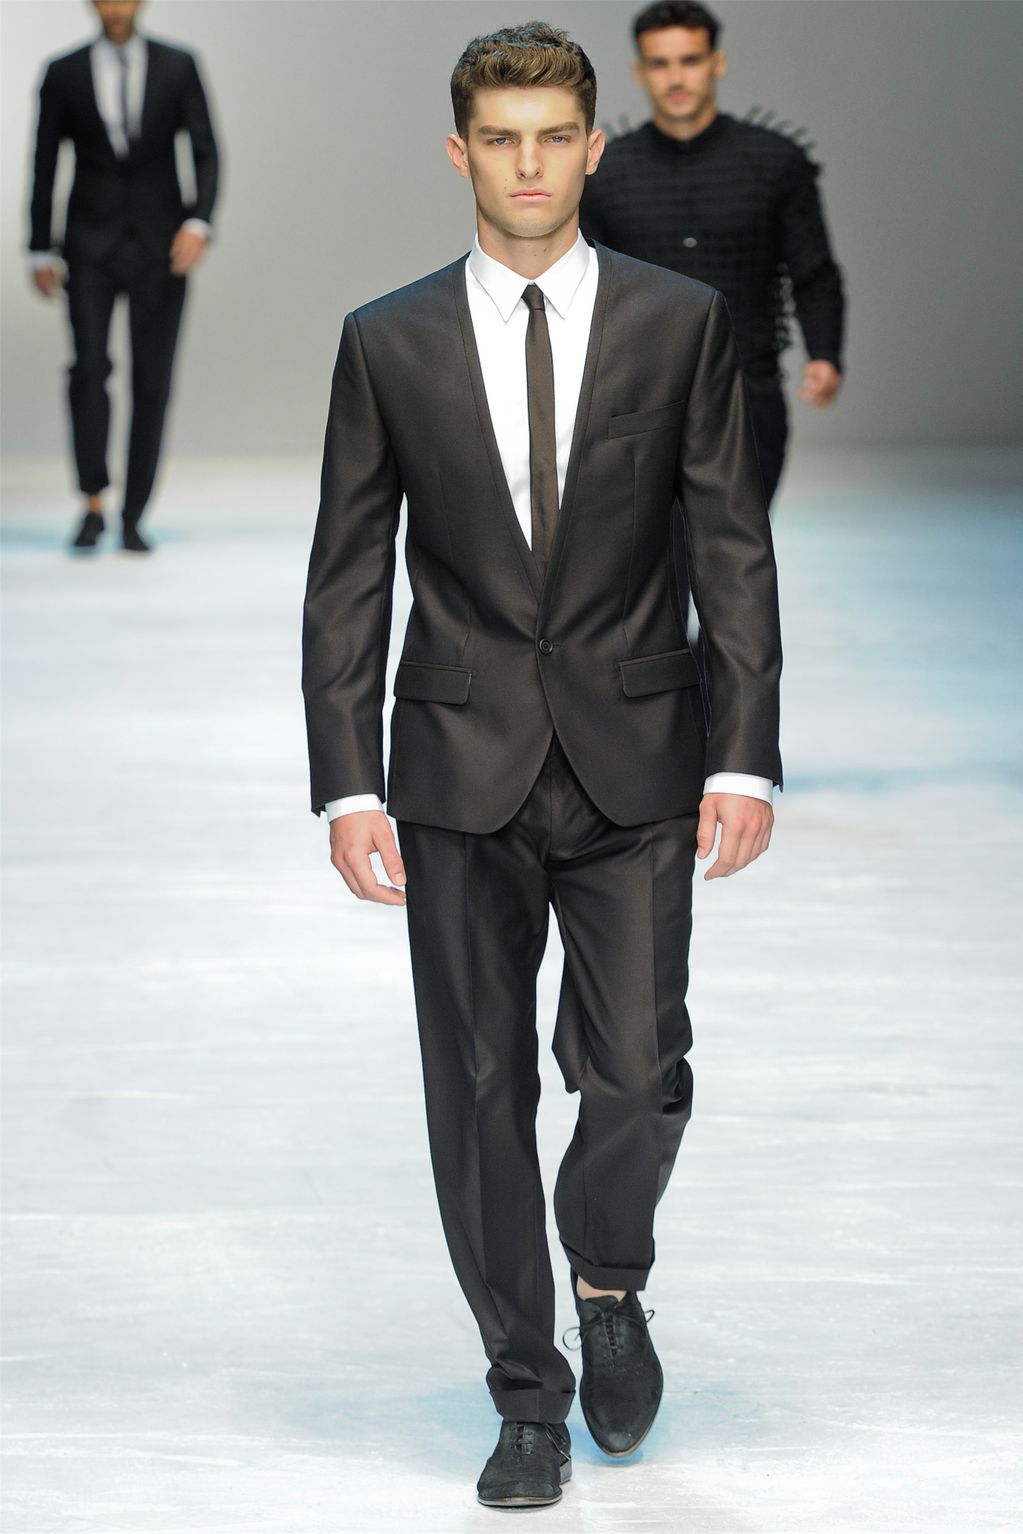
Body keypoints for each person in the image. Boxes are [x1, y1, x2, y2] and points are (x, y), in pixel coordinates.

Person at [303, 22, 781, 1510]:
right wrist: (348, 779)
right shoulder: (387, 340)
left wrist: (745, 755)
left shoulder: (677, 322)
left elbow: (729, 545)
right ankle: (525, 1393)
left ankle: (606, 1273)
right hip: (455, 765)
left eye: (552, 137)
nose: (527, 165)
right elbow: (346, 572)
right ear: (461, 152)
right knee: (478, 1087)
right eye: (500, 139)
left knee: (636, 1070)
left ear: (591, 147)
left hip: (638, 754)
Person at [581, 0, 845, 508]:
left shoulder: (775, 163)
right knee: (648, 549)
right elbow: (584, 285)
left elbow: (813, 270)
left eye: (690, 60)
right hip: (636, 398)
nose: (676, 77)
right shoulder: (605, 175)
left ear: (716, 62)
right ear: (639, 71)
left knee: (737, 543)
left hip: (748, 391)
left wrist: (825, 353)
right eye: (660, 63)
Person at [27, 0, 219, 554]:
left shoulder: (177, 65)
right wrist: (38, 247)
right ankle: (93, 501)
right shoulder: (63, 72)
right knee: (88, 368)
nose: (116, 7)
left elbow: (205, 148)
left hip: (160, 244)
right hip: (88, 243)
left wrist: (199, 221)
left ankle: (134, 513)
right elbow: (45, 159)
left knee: (152, 379)